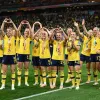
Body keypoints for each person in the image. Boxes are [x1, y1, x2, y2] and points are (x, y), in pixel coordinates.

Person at [0, 18, 17, 90]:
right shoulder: (5, 37)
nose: (8, 32)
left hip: (12, 56)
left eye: (9, 31)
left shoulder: (14, 37)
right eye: (7, 31)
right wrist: (3, 22)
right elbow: (1, 30)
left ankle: (12, 85)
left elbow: (16, 30)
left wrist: (12, 22)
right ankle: (3, 85)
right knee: (4, 71)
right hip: (5, 55)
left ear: (11, 32)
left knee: (13, 71)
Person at [17, 20, 32, 86]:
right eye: (26, 31)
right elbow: (17, 31)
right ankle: (19, 82)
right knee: (19, 68)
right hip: (20, 54)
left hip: (27, 54)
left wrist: (28, 24)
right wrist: (21, 24)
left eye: (28, 32)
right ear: (24, 32)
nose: (27, 32)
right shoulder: (21, 37)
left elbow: (32, 32)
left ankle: (26, 82)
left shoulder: (30, 38)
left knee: (26, 68)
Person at [32, 21, 42, 85]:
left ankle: (41, 81)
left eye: (39, 34)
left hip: (40, 56)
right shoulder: (33, 39)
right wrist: (33, 24)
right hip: (34, 55)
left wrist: (40, 24)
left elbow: (41, 30)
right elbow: (32, 33)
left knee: (41, 68)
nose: (37, 34)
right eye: (37, 34)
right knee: (35, 69)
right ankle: (36, 81)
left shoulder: (41, 39)